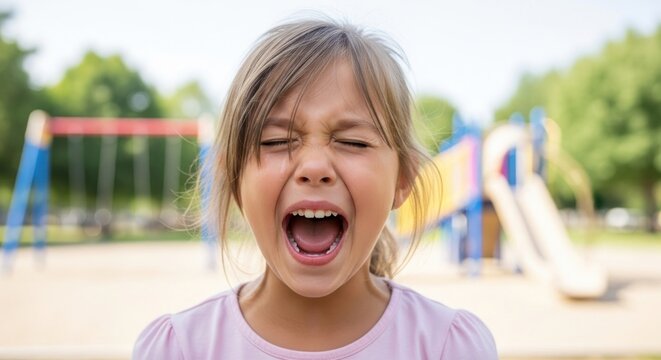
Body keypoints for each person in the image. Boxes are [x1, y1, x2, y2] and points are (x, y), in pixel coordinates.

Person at [133, 16, 498, 359]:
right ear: (232, 177)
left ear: (402, 178)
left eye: (354, 142)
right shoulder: (181, 349)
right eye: (276, 141)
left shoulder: (446, 347)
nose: (314, 168)